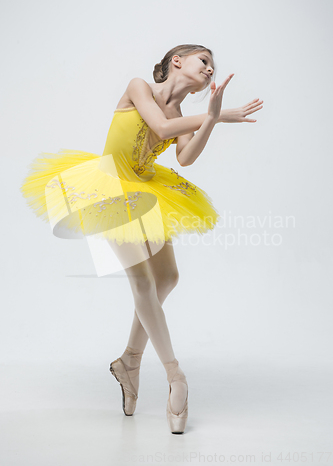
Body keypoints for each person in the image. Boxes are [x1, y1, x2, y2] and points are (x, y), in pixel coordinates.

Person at [20, 44, 263, 434]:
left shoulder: (183, 112)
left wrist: (212, 123)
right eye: (205, 60)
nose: (210, 69)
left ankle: (129, 361)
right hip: (108, 188)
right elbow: (163, 130)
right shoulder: (139, 87)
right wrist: (218, 114)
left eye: (213, 66)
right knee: (143, 281)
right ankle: (175, 376)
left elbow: (184, 159)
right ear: (176, 61)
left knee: (167, 279)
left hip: (146, 191)